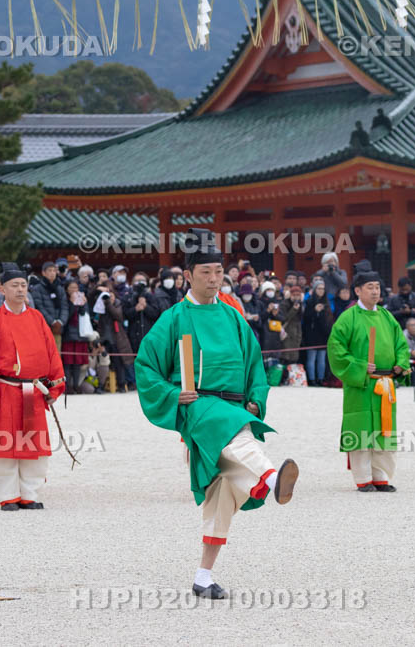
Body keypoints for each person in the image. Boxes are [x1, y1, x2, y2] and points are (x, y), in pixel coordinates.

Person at [134, 229, 298, 601]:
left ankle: (203, 576)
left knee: (221, 493)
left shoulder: (234, 317)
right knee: (233, 430)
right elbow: (146, 366)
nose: (213, 279)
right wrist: (175, 394)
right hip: (199, 405)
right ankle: (272, 479)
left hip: (235, 405)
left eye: (218, 272)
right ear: (188, 275)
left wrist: (256, 399)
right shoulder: (174, 318)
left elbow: (255, 362)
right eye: (205, 272)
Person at [0, 263, 65, 511]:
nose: (20, 290)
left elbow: (52, 354)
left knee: (33, 444)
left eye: (23, 285)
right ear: (2, 289)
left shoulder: (37, 318)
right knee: (4, 445)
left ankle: (29, 493)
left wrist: (54, 388)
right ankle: (7, 495)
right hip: (5, 391)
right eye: (15, 285)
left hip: (33, 392)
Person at [328, 271, 411, 492]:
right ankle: (363, 477)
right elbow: (336, 350)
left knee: (384, 429)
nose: (375, 291)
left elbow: (401, 345)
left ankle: (380, 476)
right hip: (362, 383)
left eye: (377, 287)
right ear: (357, 291)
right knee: (361, 428)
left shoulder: (387, 316)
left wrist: (401, 363)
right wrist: (359, 366)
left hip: (386, 382)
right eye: (370, 287)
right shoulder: (348, 318)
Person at [301, 282, 333, 387]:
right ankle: (312, 379)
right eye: (319, 288)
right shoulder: (309, 301)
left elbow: (329, 319)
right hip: (311, 334)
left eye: (322, 289)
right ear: (314, 289)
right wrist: (315, 311)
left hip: (323, 334)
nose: (321, 291)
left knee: (322, 359)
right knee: (311, 358)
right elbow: (305, 318)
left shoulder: (326, 302)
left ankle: (320, 379)